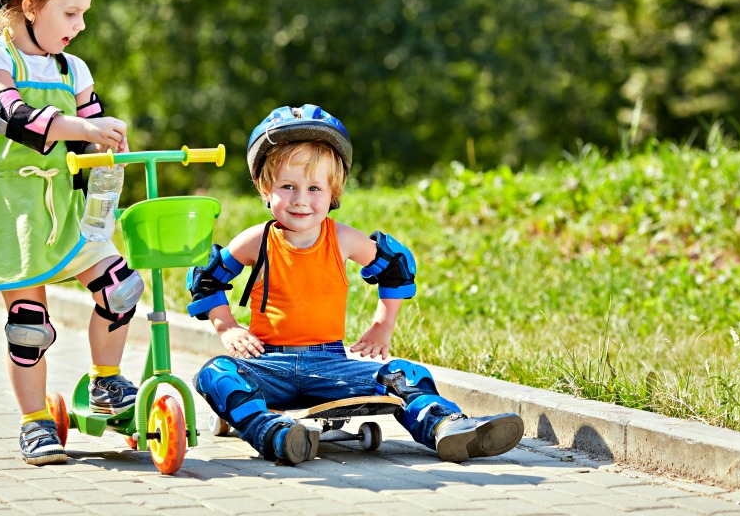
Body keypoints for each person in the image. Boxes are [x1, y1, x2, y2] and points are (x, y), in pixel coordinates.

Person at [187, 104, 524, 465]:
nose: (301, 198)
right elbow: (206, 278)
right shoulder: (257, 240)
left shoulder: (342, 239)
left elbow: (396, 267)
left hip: (331, 365)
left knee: (406, 375)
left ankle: (446, 428)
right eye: (288, 186)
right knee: (214, 374)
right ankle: (276, 434)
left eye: (314, 187)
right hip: (268, 365)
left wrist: (382, 326)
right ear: (264, 188)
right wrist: (228, 328)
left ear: (333, 191)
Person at [0, 0, 142, 466]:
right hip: (13, 207)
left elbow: (89, 141)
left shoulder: (74, 68)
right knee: (28, 325)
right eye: (71, 13)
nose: (80, 25)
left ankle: (107, 381)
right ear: (27, 4)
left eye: (84, 13)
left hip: (65, 205)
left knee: (120, 289)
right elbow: (16, 118)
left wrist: (107, 149)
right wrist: (85, 129)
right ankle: (35, 421)